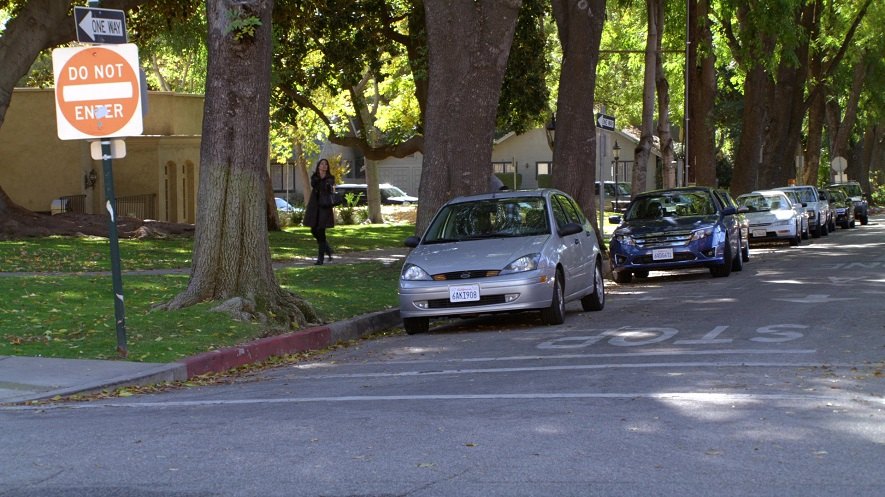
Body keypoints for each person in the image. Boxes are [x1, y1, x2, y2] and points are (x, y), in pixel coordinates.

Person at [303, 158, 337, 265]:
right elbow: (315, 184)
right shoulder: (315, 177)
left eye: (326, 164)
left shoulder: (330, 178)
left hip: (324, 208)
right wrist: (320, 178)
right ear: (318, 166)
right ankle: (328, 249)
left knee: (321, 232)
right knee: (313, 230)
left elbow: (327, 187)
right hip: (315, 207)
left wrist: (325, 182)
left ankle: (320, 259)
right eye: (322, 164)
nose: (324, 166)